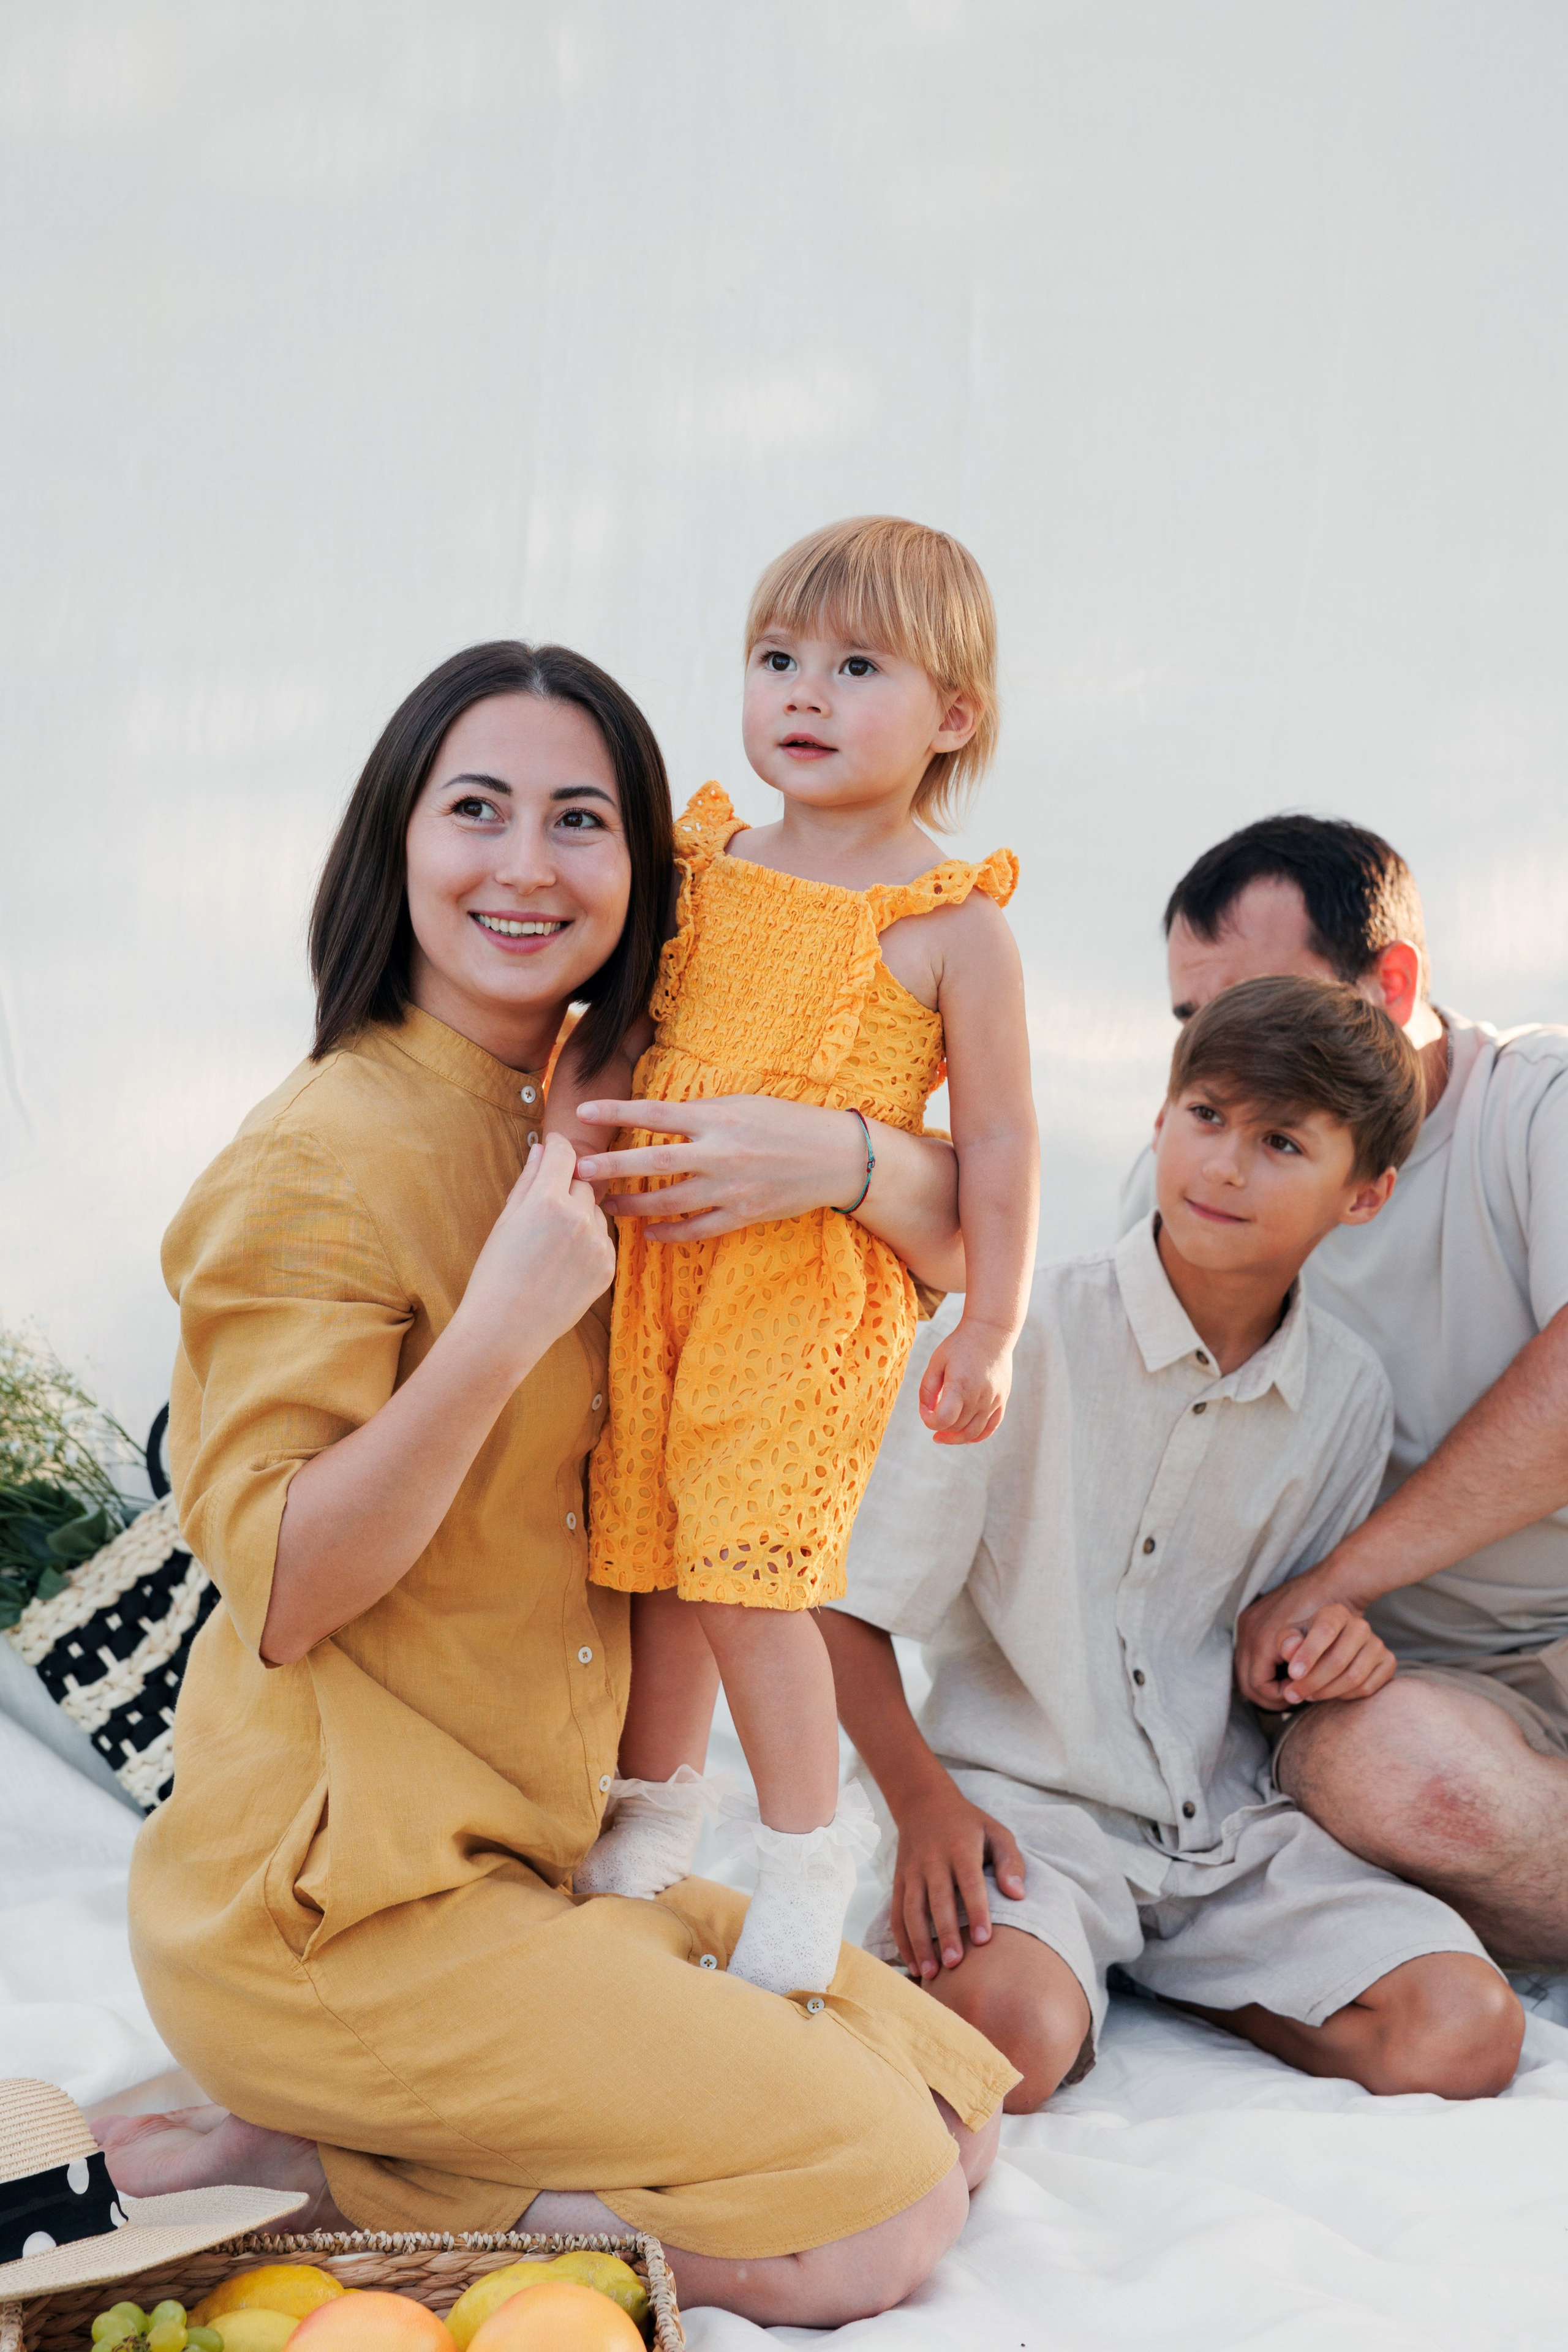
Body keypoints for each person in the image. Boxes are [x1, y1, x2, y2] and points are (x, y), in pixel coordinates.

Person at [97, 640, 1017, 2331]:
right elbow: (287, 1583)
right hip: (342, 1915)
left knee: (962, 2116)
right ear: (396, 843)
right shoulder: (323, 1158)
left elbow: (971, 1229)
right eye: (478, 811)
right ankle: (302, 2169)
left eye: (580, 821)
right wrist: (506, 1322)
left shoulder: (626, 1096)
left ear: (646, 866)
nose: (527, 866)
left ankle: (357, 2129)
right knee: (875, 2228)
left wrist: (847, 1156)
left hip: (539, 1866)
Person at [823, 976, 1523, 2110]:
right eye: (1206, 1116)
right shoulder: (1012, 1329)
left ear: (1366, 1194)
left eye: (1283, 1141)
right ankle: (1076, 1970)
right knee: (1005, 2047)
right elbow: (839, 1608)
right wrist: (922, 1807)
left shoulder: (1347, 1395)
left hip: (1230, 1830)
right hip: (1025, 1813)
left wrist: (1334, 1650)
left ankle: (1199, 1982)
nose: (1226, 1166)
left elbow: (1274, 1647)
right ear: (1160, 1121)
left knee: (1467, 2033)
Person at [547, 518, 1039, 1994]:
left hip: (807, 1292)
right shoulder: (702, 859)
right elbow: (615, 1041)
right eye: (776, 661)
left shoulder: (950, 927)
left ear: (950, 715)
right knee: (648, 1551)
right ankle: (654, 1811)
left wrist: (992, 1327)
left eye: (853, 666)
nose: (802, 695)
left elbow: (1004, 1143)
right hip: (659, 1270)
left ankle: (807, 1850)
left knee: (751, 1574)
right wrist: (563, 1163)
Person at [1121, 816, 1568, 1970]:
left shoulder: (1538, 1106)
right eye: (1192, 1022)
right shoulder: (1190, 1185)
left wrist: (1338, 1577)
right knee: (1388, 1774)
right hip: (1436, 1693)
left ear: (1393, 982)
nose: (1226, 1049)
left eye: (1264, 999)